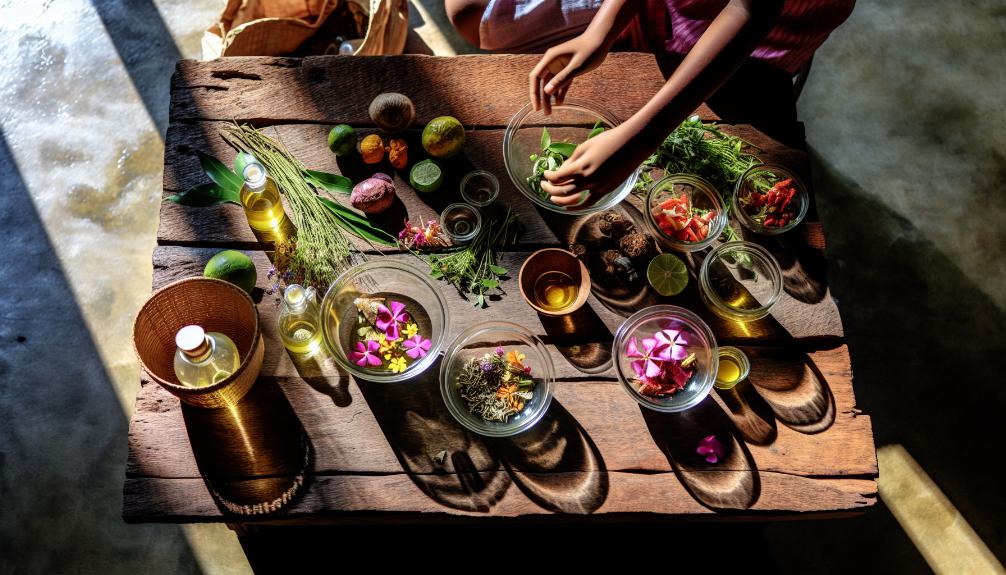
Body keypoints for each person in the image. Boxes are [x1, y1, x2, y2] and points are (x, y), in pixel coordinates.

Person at [445, 0, 855, 208]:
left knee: (739, 105)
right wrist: (601, 34)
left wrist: (638, 141)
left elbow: (750, 9)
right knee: (469, 11)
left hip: (751, 33)